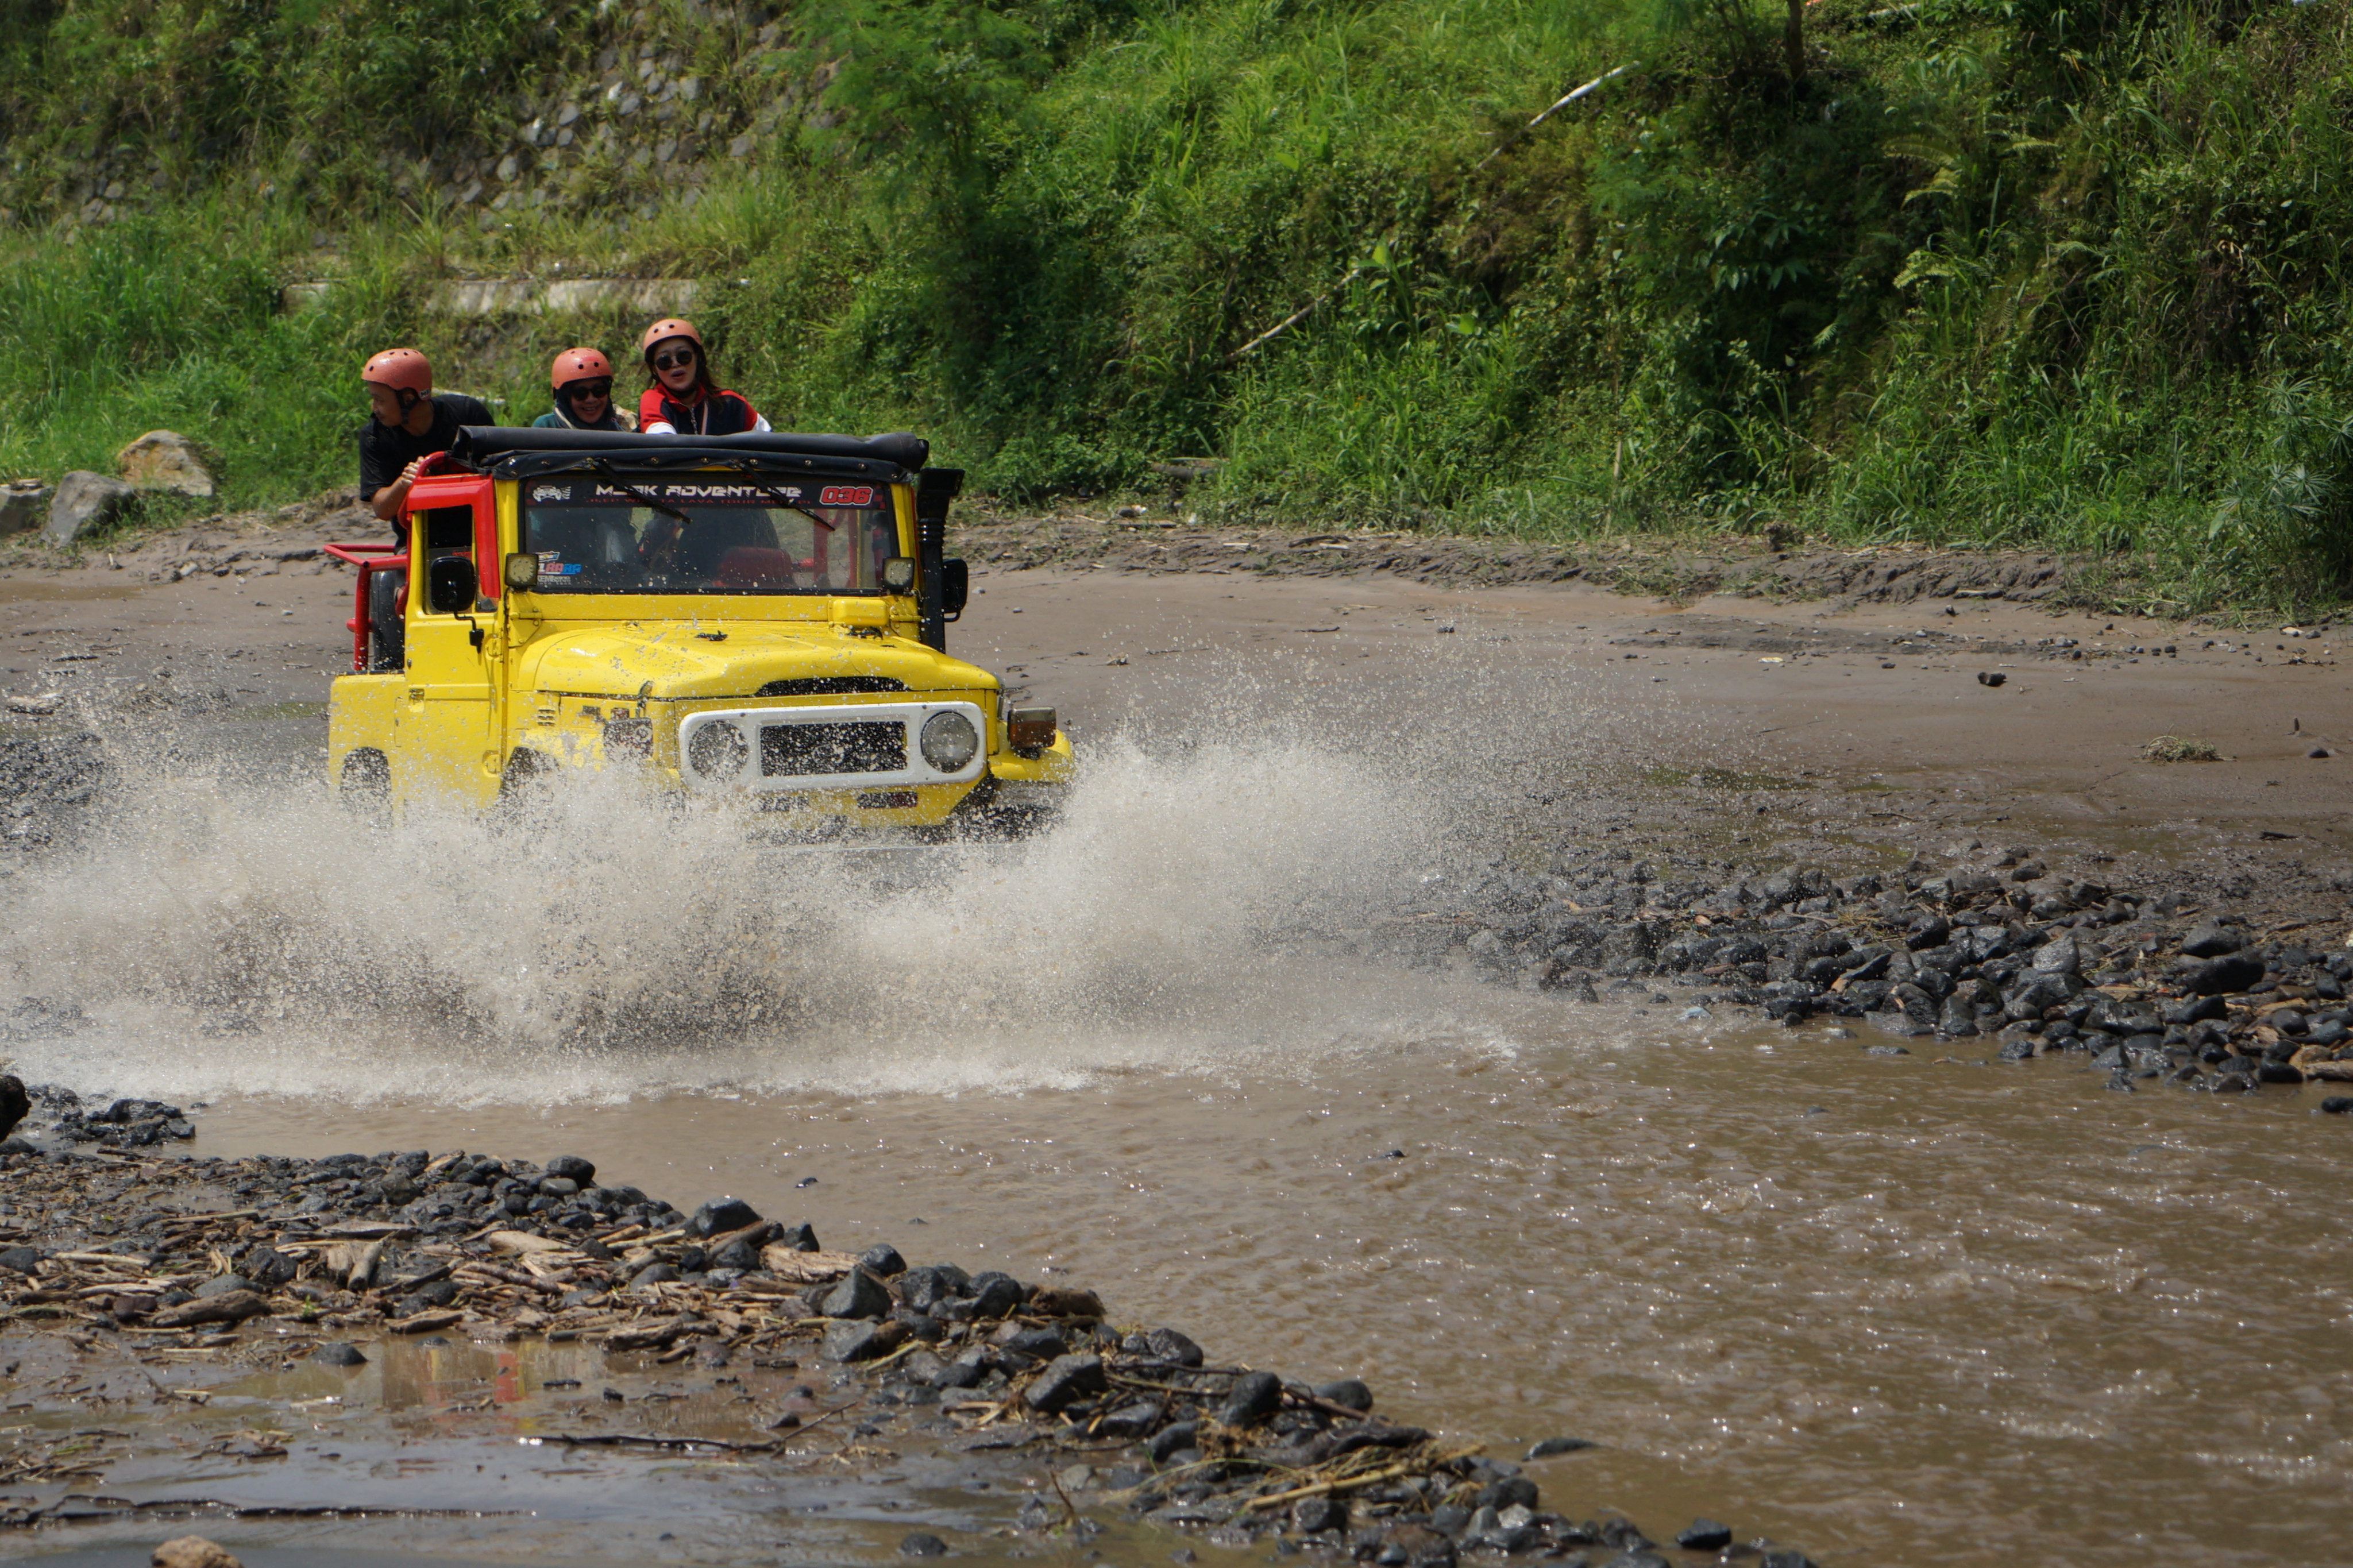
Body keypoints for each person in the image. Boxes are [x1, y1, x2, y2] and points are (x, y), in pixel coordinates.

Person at [357, 348, 494, 525]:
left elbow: (502, 472)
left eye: (380, 401)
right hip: (416, 538)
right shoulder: (374, 436)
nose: (374, 408)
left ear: (408, 399)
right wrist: (404, 483)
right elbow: (382, 510)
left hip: (482, 529)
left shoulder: (468, 414)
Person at [635, 319, 770, 437]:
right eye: (664, 361)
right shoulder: (653, 401)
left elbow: (770, 441)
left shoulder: (732, 403)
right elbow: (664, 442)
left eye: (684, 356)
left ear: (698, 358)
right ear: (654, 368)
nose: (675, 364)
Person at [534, 347, 637, 431]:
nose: (591, 399)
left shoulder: (626, 423)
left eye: (599, 391)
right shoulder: (546, 427)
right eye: (581, 394)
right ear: (564, 397)